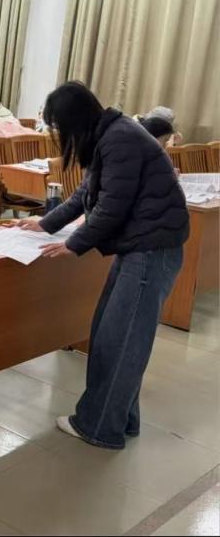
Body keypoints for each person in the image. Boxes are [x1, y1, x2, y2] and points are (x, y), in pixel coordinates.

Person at [14, 81, 188, 450]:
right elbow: (86, 194)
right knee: (113, 334)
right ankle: (121, 420)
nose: (58, 134)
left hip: (150, 251)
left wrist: (73, 245)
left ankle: (99, 427)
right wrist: (45, 224)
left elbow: (112, 207)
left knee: (121, 340)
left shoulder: (119, 138)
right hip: (141, 248)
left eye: (58, 126)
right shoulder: (109, 134)